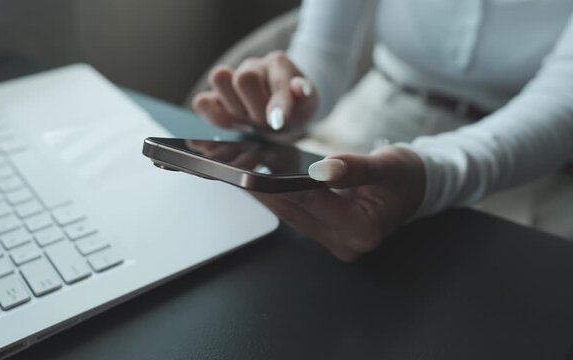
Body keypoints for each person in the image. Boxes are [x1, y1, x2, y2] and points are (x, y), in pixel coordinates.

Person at [192, 0, 573, 261]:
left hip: (530, 161)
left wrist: (433, 175)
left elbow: (563, 101)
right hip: (373, 113)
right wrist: (289, 97)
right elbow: (322, 52)